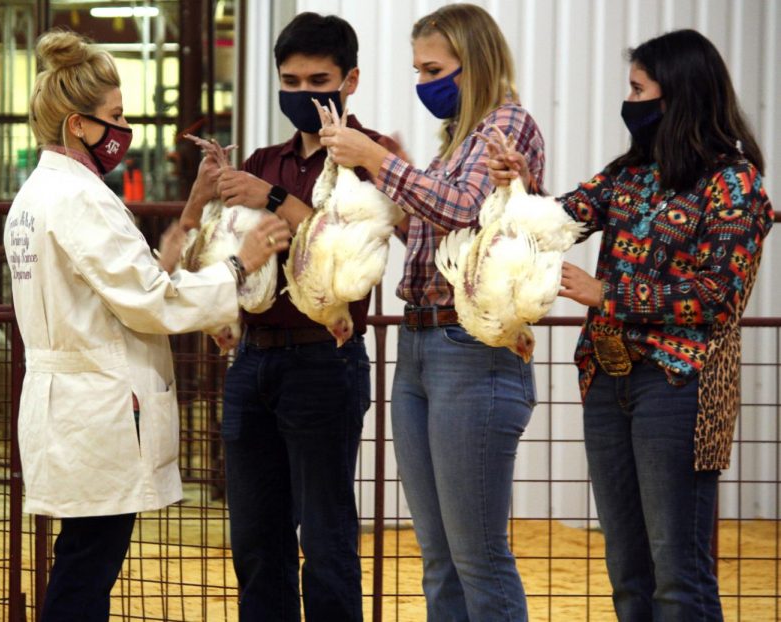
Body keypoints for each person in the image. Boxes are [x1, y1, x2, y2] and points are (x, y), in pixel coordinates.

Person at [5, 29, 289, 622]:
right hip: (96, 404)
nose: (123, 129)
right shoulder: (78, 200)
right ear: (77, 124)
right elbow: (150, 299)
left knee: (83, 557)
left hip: (73, 400)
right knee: (88, 566)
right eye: (114, 116)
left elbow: (128, 280)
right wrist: (242, 266)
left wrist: (190, 212)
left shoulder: (40, 194)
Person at [489, 29, 774, 621]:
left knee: (678, 570)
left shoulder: (734, 183)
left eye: (639, 89)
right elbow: (563, 217)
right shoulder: (631, 173)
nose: (631, 101)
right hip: (610, 376)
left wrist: (608, 294)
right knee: (626, 565)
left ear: (677, 98)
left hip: (680, 384)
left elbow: (720, 295)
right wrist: (520, 185)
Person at [320, 4, 544, 620]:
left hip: (471, 350)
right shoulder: (454, 144)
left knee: (477, 555)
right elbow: (436, 231)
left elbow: (462, 211)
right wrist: (391, 178)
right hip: (423, 346)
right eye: (418, 70)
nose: (424, 83)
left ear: (475, 65)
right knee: (440, 554)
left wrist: (379, 161)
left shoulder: (508, 126)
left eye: (434, 69)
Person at [181, 12, 400, 622]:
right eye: (291, 80)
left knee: (325, 534)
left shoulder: (371, 157)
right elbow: (222, 242)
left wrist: (275, 200)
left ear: (349, 79)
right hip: (252, 354)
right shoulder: (261, 157)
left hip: (323, 356)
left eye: (317, 79)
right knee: (255, 536)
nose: (302, 93)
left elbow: (358, 247)